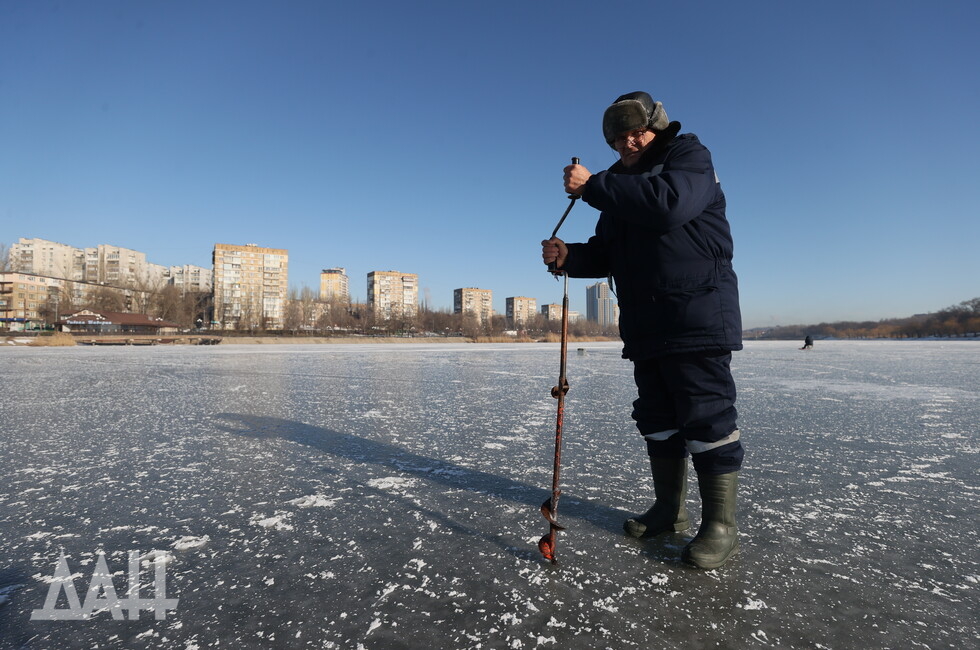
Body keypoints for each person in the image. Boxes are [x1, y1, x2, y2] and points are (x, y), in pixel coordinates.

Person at [541, 92, 744, 569]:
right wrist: (571, 257)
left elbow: (668, 205)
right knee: (657, 418)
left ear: (657, 127)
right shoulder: (618, 187)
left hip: (696, 314)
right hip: (646, 323)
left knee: (706, 417)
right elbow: (611, 251)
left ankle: (721, 527)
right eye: (616, 137)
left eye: (636, 132)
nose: (627, 142)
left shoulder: (689, 158)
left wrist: (593, 187)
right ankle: (667, 510)